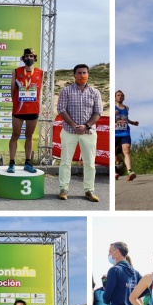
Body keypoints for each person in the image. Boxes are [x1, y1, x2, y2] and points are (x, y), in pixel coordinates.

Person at [57, 64, 103, 202]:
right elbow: (61, 109)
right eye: (79, 72)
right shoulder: (66, 91)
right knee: (65, 161)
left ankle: (89, 190)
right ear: (74, 75)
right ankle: (64, 188)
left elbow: (98, 112)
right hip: (69, 132)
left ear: (88, 74)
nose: (82, 75)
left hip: (88, 133)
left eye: (84, 72)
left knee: (90, 163)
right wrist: (74, 125)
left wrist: (86, 126)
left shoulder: (95, 92)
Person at [9, 48, 43, 173]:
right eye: (27, 56)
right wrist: (16, 103)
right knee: (15, 135)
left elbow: (40, 91)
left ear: (35, 58)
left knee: (29, 136)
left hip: (33, 110)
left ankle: (28, 162)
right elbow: (12, 90)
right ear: (23, 58)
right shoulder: (17, 71)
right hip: (19, 109)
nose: (29, 58)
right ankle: (12, 162)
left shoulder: (40, 72)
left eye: (31, 56)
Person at [115, 90, 138, 181]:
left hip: (125, 133)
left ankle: (130, 171)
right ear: (115, 98)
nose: (120, 96)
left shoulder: (126, 108)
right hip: (115, 134)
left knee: (127, 151)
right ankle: (114, 172)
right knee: (114, 154)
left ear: (124, 98)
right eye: (118, 95)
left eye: (121, 95)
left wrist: (133, 122)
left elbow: (126, 119)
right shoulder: (113, 108)